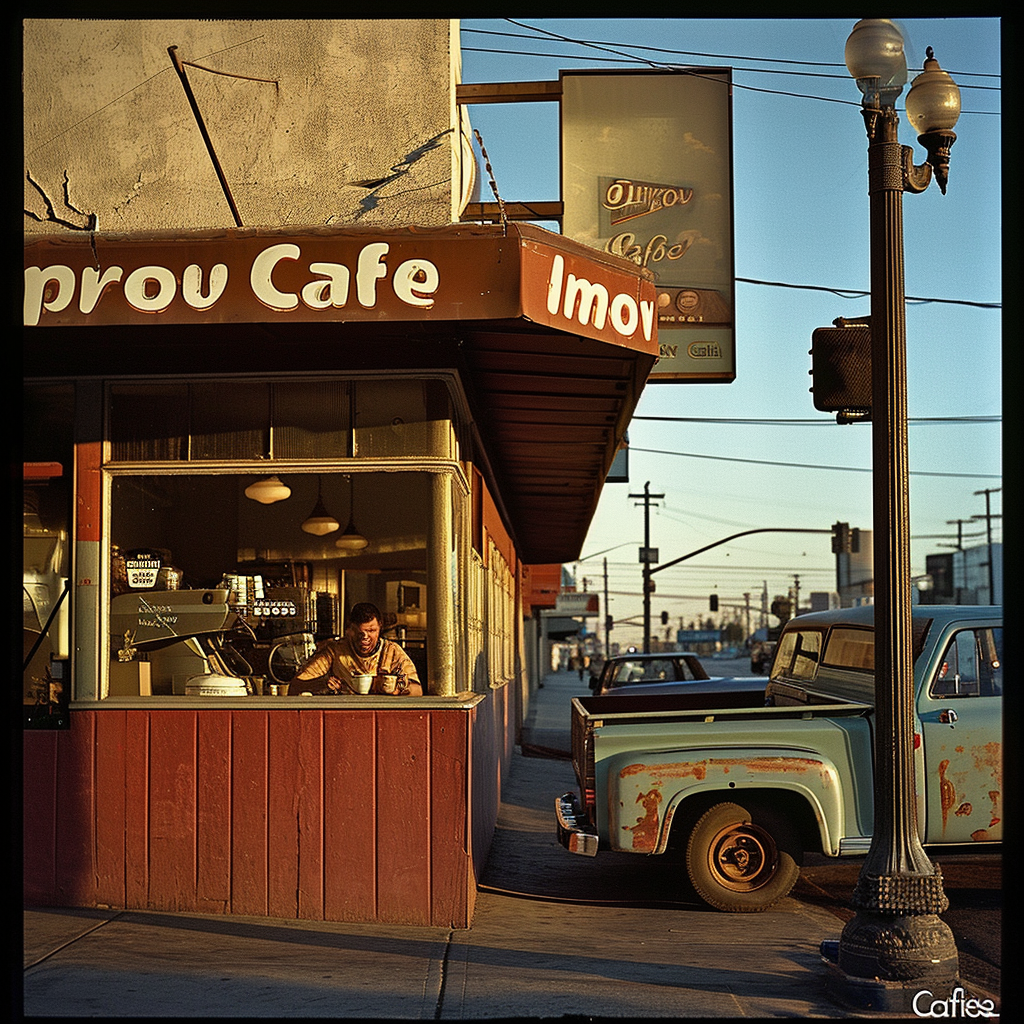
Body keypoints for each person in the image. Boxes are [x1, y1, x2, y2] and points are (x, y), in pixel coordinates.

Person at [290, 602, 422, 696]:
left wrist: (398, 689)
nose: (365, 637)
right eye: (359, 632)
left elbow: (418, 691)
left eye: (371, 630)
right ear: (349, 630)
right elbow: (295, 686)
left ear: (380, 628)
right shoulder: (335, 651)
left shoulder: (392, 652)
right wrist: (322, 684)